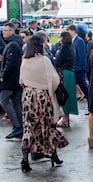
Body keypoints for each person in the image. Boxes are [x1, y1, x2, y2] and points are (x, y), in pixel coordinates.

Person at [19, 34, 69, 172]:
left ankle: (25, 158)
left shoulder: (25, 60)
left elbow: (21, 80)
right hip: (43, 98)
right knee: (47, 126)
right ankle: (53, 154)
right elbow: (54, 80)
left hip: (28, 97)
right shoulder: (44, 60)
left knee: (29, 127)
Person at [0, 22, 23, 139]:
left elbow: (11, 63)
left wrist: (2, 75)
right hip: (16, 80)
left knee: (4, 101)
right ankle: (19, 126)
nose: (3, 32)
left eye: (5, 30)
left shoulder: (12, 45)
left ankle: (17, 126)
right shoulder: (14, 43)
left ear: (11, 31)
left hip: (10, 80)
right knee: (16, 103)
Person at [54, 31, 78, 127]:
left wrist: (55, 59)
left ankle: (65, 119)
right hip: (70, 73)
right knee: (69, 96)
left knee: (64, 96)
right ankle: (65, 119)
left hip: (64, 73)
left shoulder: (64, 48)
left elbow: (58, 61)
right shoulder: (71, 47)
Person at [67, 24, 89, 102]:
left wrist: (80, 67)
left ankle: (91, 103)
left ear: (73, 31)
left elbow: (82, 55)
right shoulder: (74, 41)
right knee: (81, 86)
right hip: (75, 68)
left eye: (69, 31)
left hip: (78, 68)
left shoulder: (79, 41)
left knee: (83, 86)